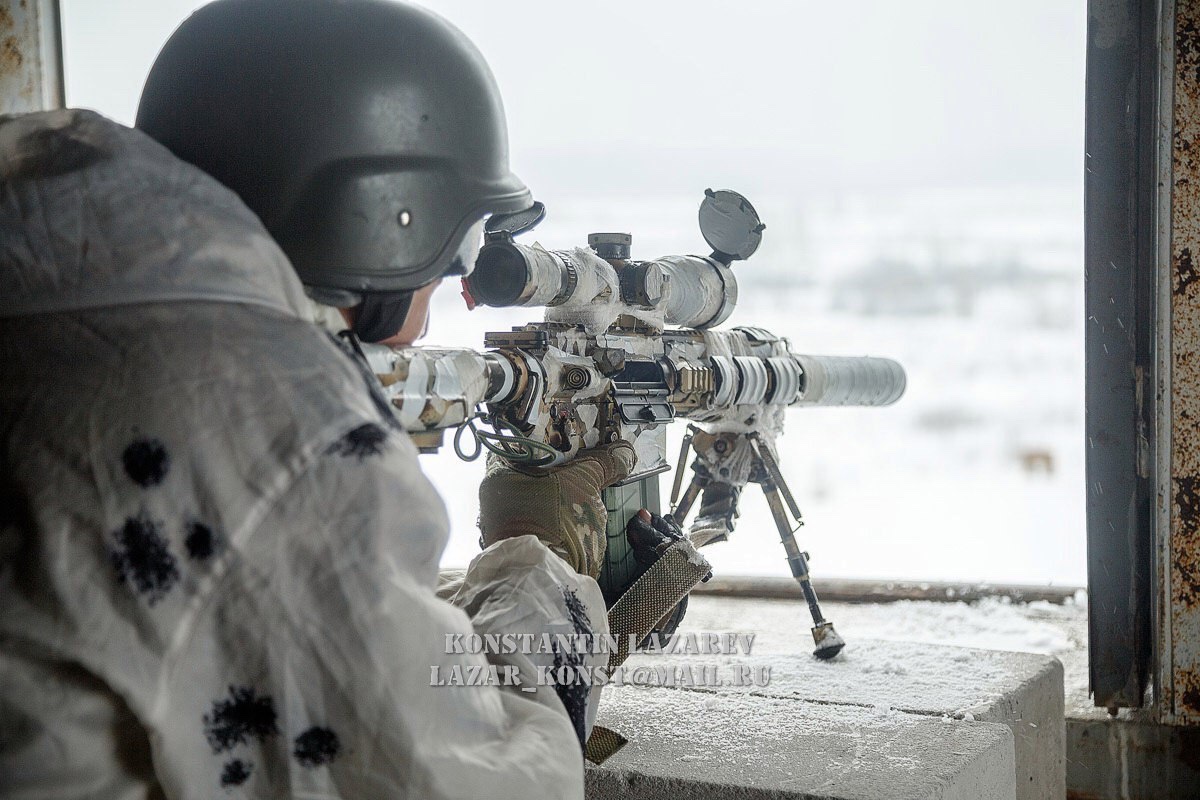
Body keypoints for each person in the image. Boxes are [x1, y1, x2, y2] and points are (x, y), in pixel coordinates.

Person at [0, 1, 641, 797]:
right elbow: (457, 781)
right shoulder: (269, 425)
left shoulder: (55, 294)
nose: (451, 283)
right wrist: (537, 583)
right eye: (460, 243)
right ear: (384, 216)